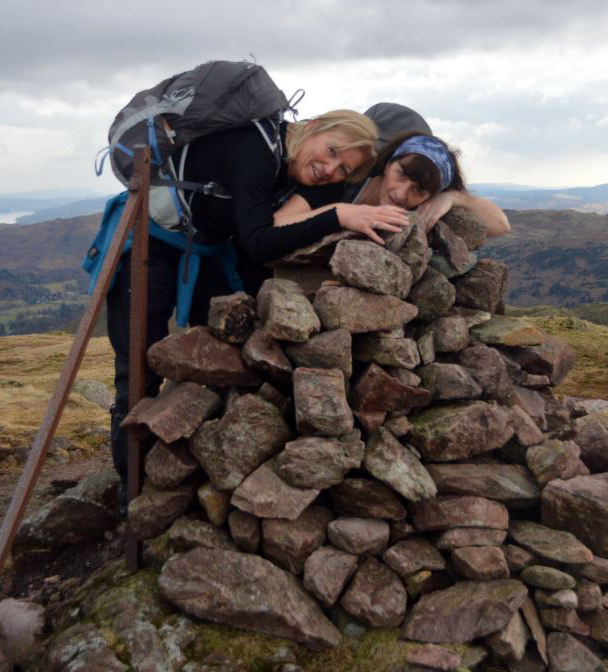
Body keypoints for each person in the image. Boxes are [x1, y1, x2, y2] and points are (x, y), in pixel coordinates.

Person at [105, 109, 406, 515]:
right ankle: (134, 493)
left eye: (342, 169)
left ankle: (189, 475)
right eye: (332, 151)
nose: (330, 169)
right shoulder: (256, 147)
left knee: (221, 354)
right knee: (140, 368)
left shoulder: (288, 165)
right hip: (148, 239)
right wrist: (338, 215)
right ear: (313, 127)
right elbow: (260, 242)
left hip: (200, 247)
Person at [275, 129, 510, 237]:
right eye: (401, 174)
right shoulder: (344, 184)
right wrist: (342, 213)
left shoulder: (420, 210)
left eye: (419, 189)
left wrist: (453, 197)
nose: (401, 193)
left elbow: (500, 225)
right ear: (388, 164)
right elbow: (278, 223)